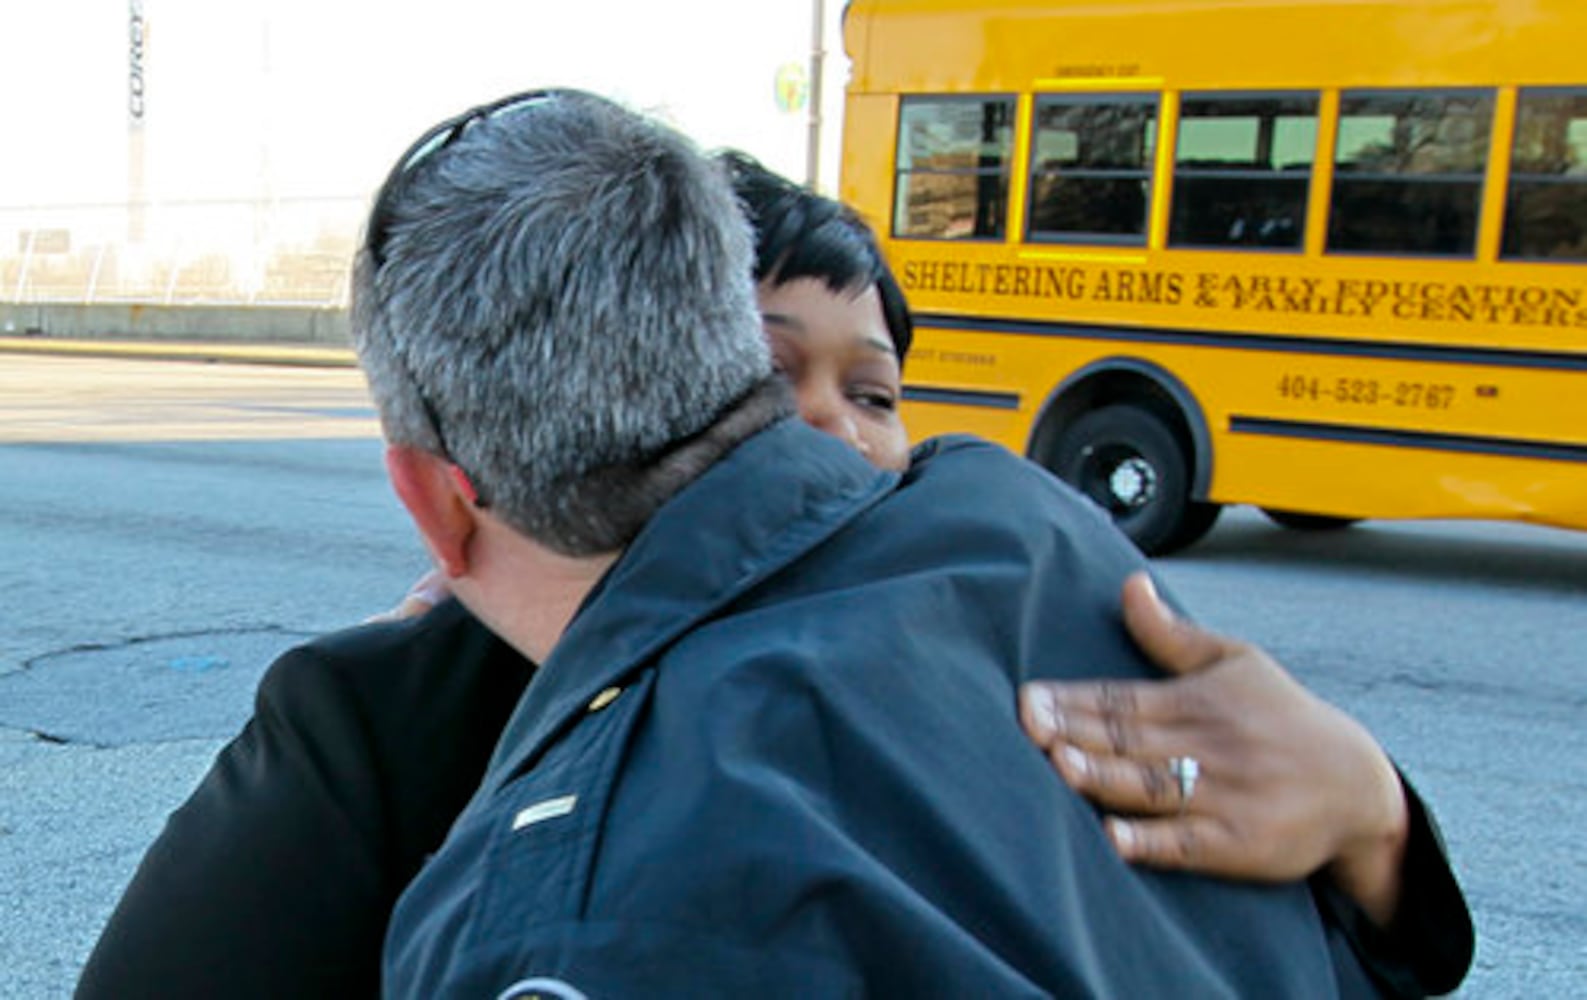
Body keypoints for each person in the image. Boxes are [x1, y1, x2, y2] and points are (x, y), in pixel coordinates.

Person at [73, 130, 1470, 997]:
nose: (820, 438)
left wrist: (1371, 816)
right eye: (769, 370)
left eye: (873, 392)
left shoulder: (1022, 583)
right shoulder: (396, 723)